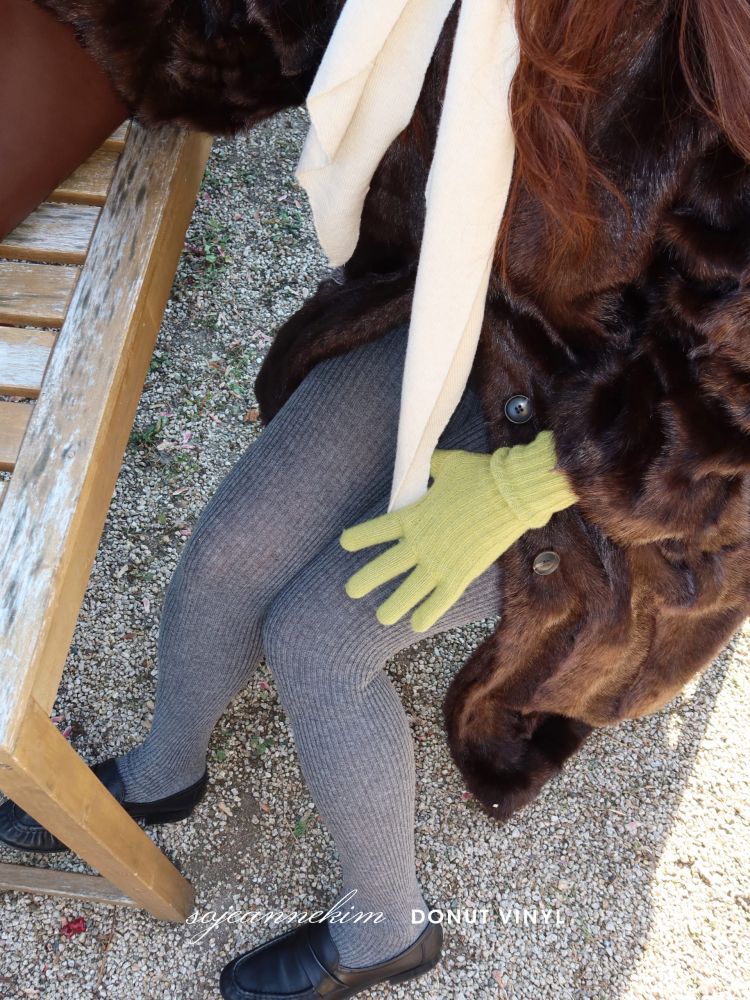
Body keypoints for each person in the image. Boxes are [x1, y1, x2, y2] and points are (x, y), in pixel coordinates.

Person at [2, 2, 750, 998]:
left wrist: (516, 489)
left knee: (318, 639)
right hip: (459, 315)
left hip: (636, 444)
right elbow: (251, 31)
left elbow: (731, 386)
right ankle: (162, 772)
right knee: (230, 554)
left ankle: (386, 932)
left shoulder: (708, 44)